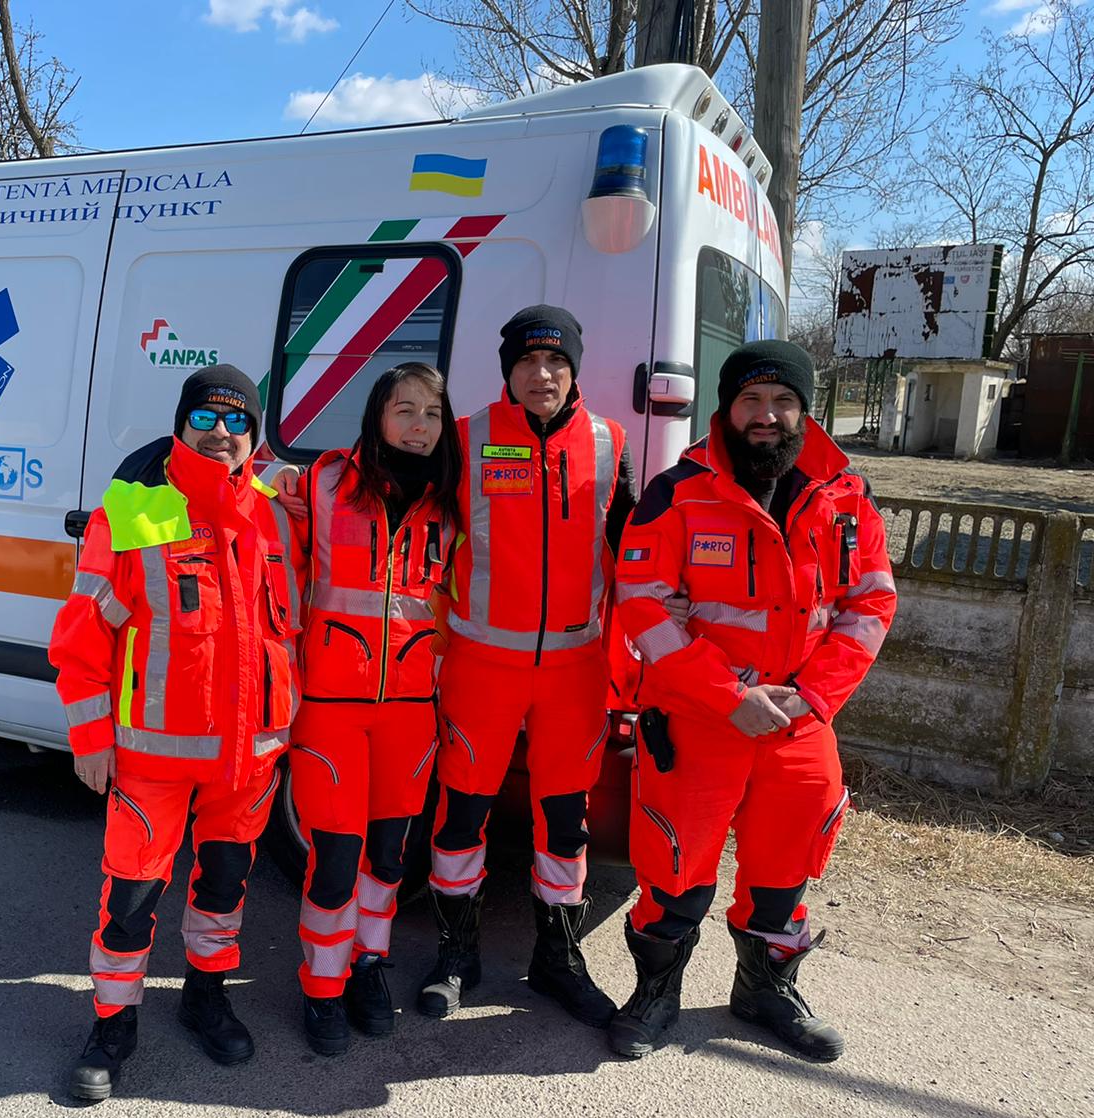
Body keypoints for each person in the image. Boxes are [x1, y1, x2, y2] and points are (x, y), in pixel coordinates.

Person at [609, 339, 897, 1062]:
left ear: (805, 410)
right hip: (702, 721)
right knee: (674, 873)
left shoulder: (846, 497)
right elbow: (643, 604)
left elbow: (871, 605)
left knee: (784, 871)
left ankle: (763, 990)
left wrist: (809, 698)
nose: (766, 416)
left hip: (800, 726)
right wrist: (728, 695)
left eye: (782, 402)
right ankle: (654, 994)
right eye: (751, 401)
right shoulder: (676, 491)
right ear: (725, 408)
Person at [49, 364, 301, 1102]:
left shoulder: (278, 511)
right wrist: (91, 740)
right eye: (205, 418)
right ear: (181, 424)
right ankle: (112, 1024)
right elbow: (80, 637)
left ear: (254, 436)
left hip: (249, 758)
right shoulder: (133, 510)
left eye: (237, 422)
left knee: (223, 889)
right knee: (130, 901)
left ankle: (206, 997)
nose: (220, 433)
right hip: (150, 757)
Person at [420, 304, 636, 1027]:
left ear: (574, 369)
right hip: (481, 666)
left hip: (575, 669)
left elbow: (638, 560)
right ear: (506, 369)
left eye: (555, 362)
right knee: (462, 814)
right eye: (525, 362)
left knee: (564, 821)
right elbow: (409, 516)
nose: (540, 374)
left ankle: (557, 957)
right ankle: (456, 952)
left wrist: (637, 669)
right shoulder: (467, 437)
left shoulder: (610, 444)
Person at [279, 362, 463, 1056]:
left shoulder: (451, 503)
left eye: (432, 414)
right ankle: (321, 990)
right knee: (334, 859)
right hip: (331, 709)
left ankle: (367, 967)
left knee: (388, 859)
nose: (418, 427)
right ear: (377, 417)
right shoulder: (323, 483)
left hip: (411, 711)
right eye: (404, 410)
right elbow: (243, 493)